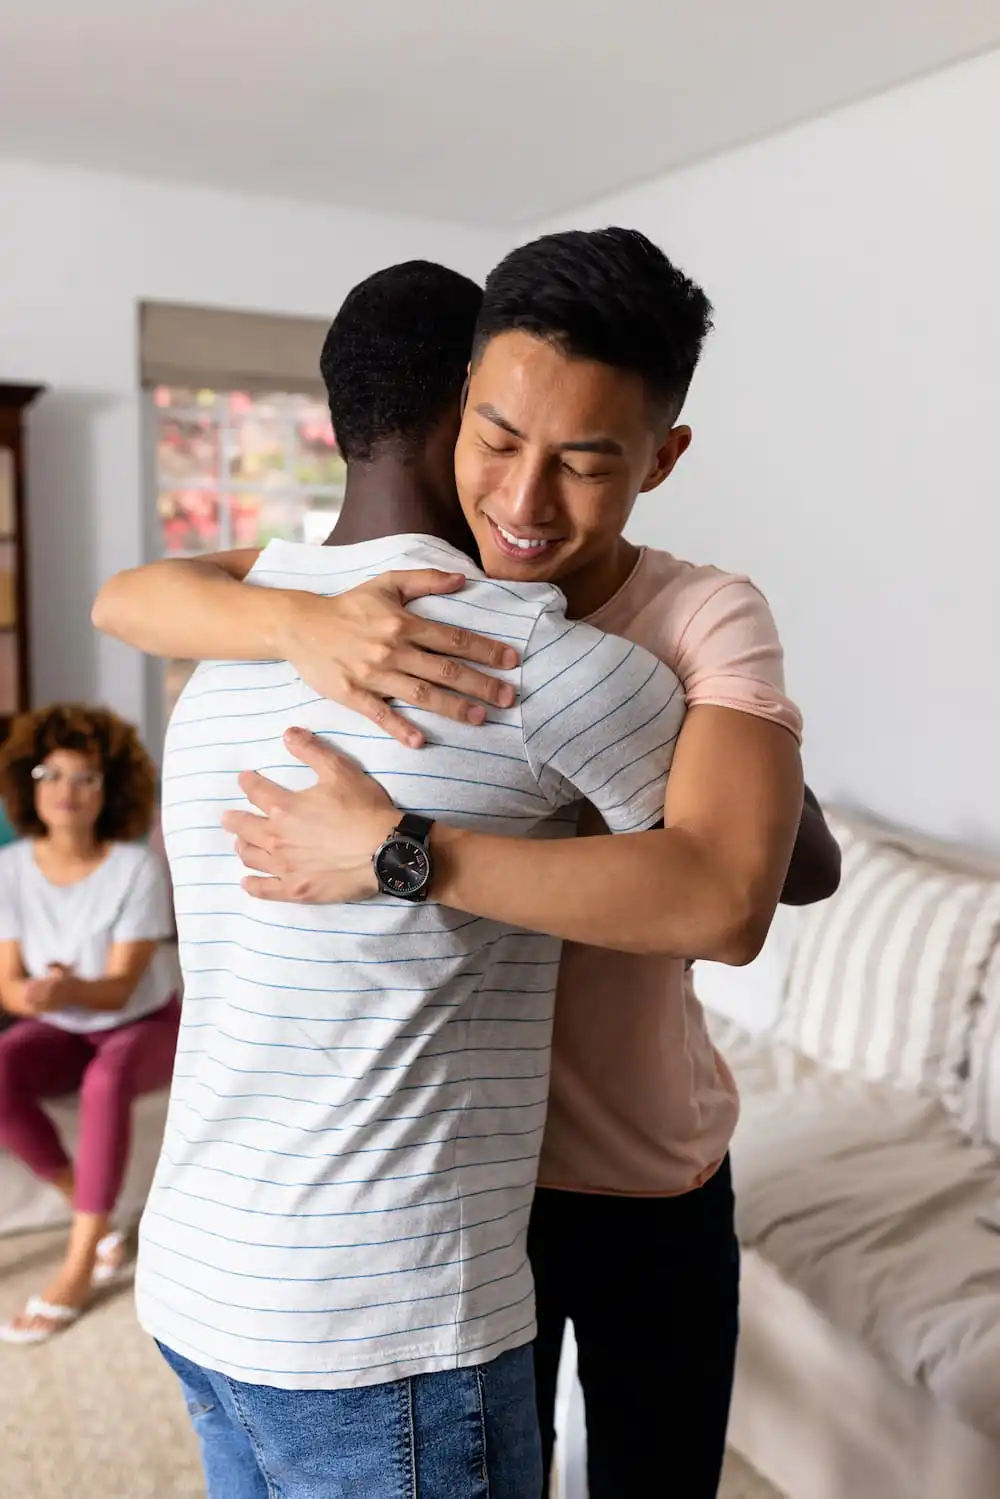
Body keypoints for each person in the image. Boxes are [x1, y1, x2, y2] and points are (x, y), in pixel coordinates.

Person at [94, 238, 840, 1497]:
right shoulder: (342, 609)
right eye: (495, 439)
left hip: (638, 1165)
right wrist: (301, 621)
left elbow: (742, 890)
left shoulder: (683, 622)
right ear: (457, 407)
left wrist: (406, 853)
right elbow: (131, 596)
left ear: (658, 460)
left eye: (585, 461)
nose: (526, 503)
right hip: (457, 1180)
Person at [0, 704, 179, 1344]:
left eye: (85, 777)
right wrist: (37, 993)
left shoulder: (135, 868)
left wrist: (66, 988)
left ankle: (78, 1267)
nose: (66, 791)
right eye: (51, 774)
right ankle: (96, 1216)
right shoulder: (11, 867)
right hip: (66, 1021)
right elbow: (9, 987)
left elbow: (120, 988)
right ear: (29, 782)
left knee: (108, 1079)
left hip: (145, 1021)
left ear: (111, 789)